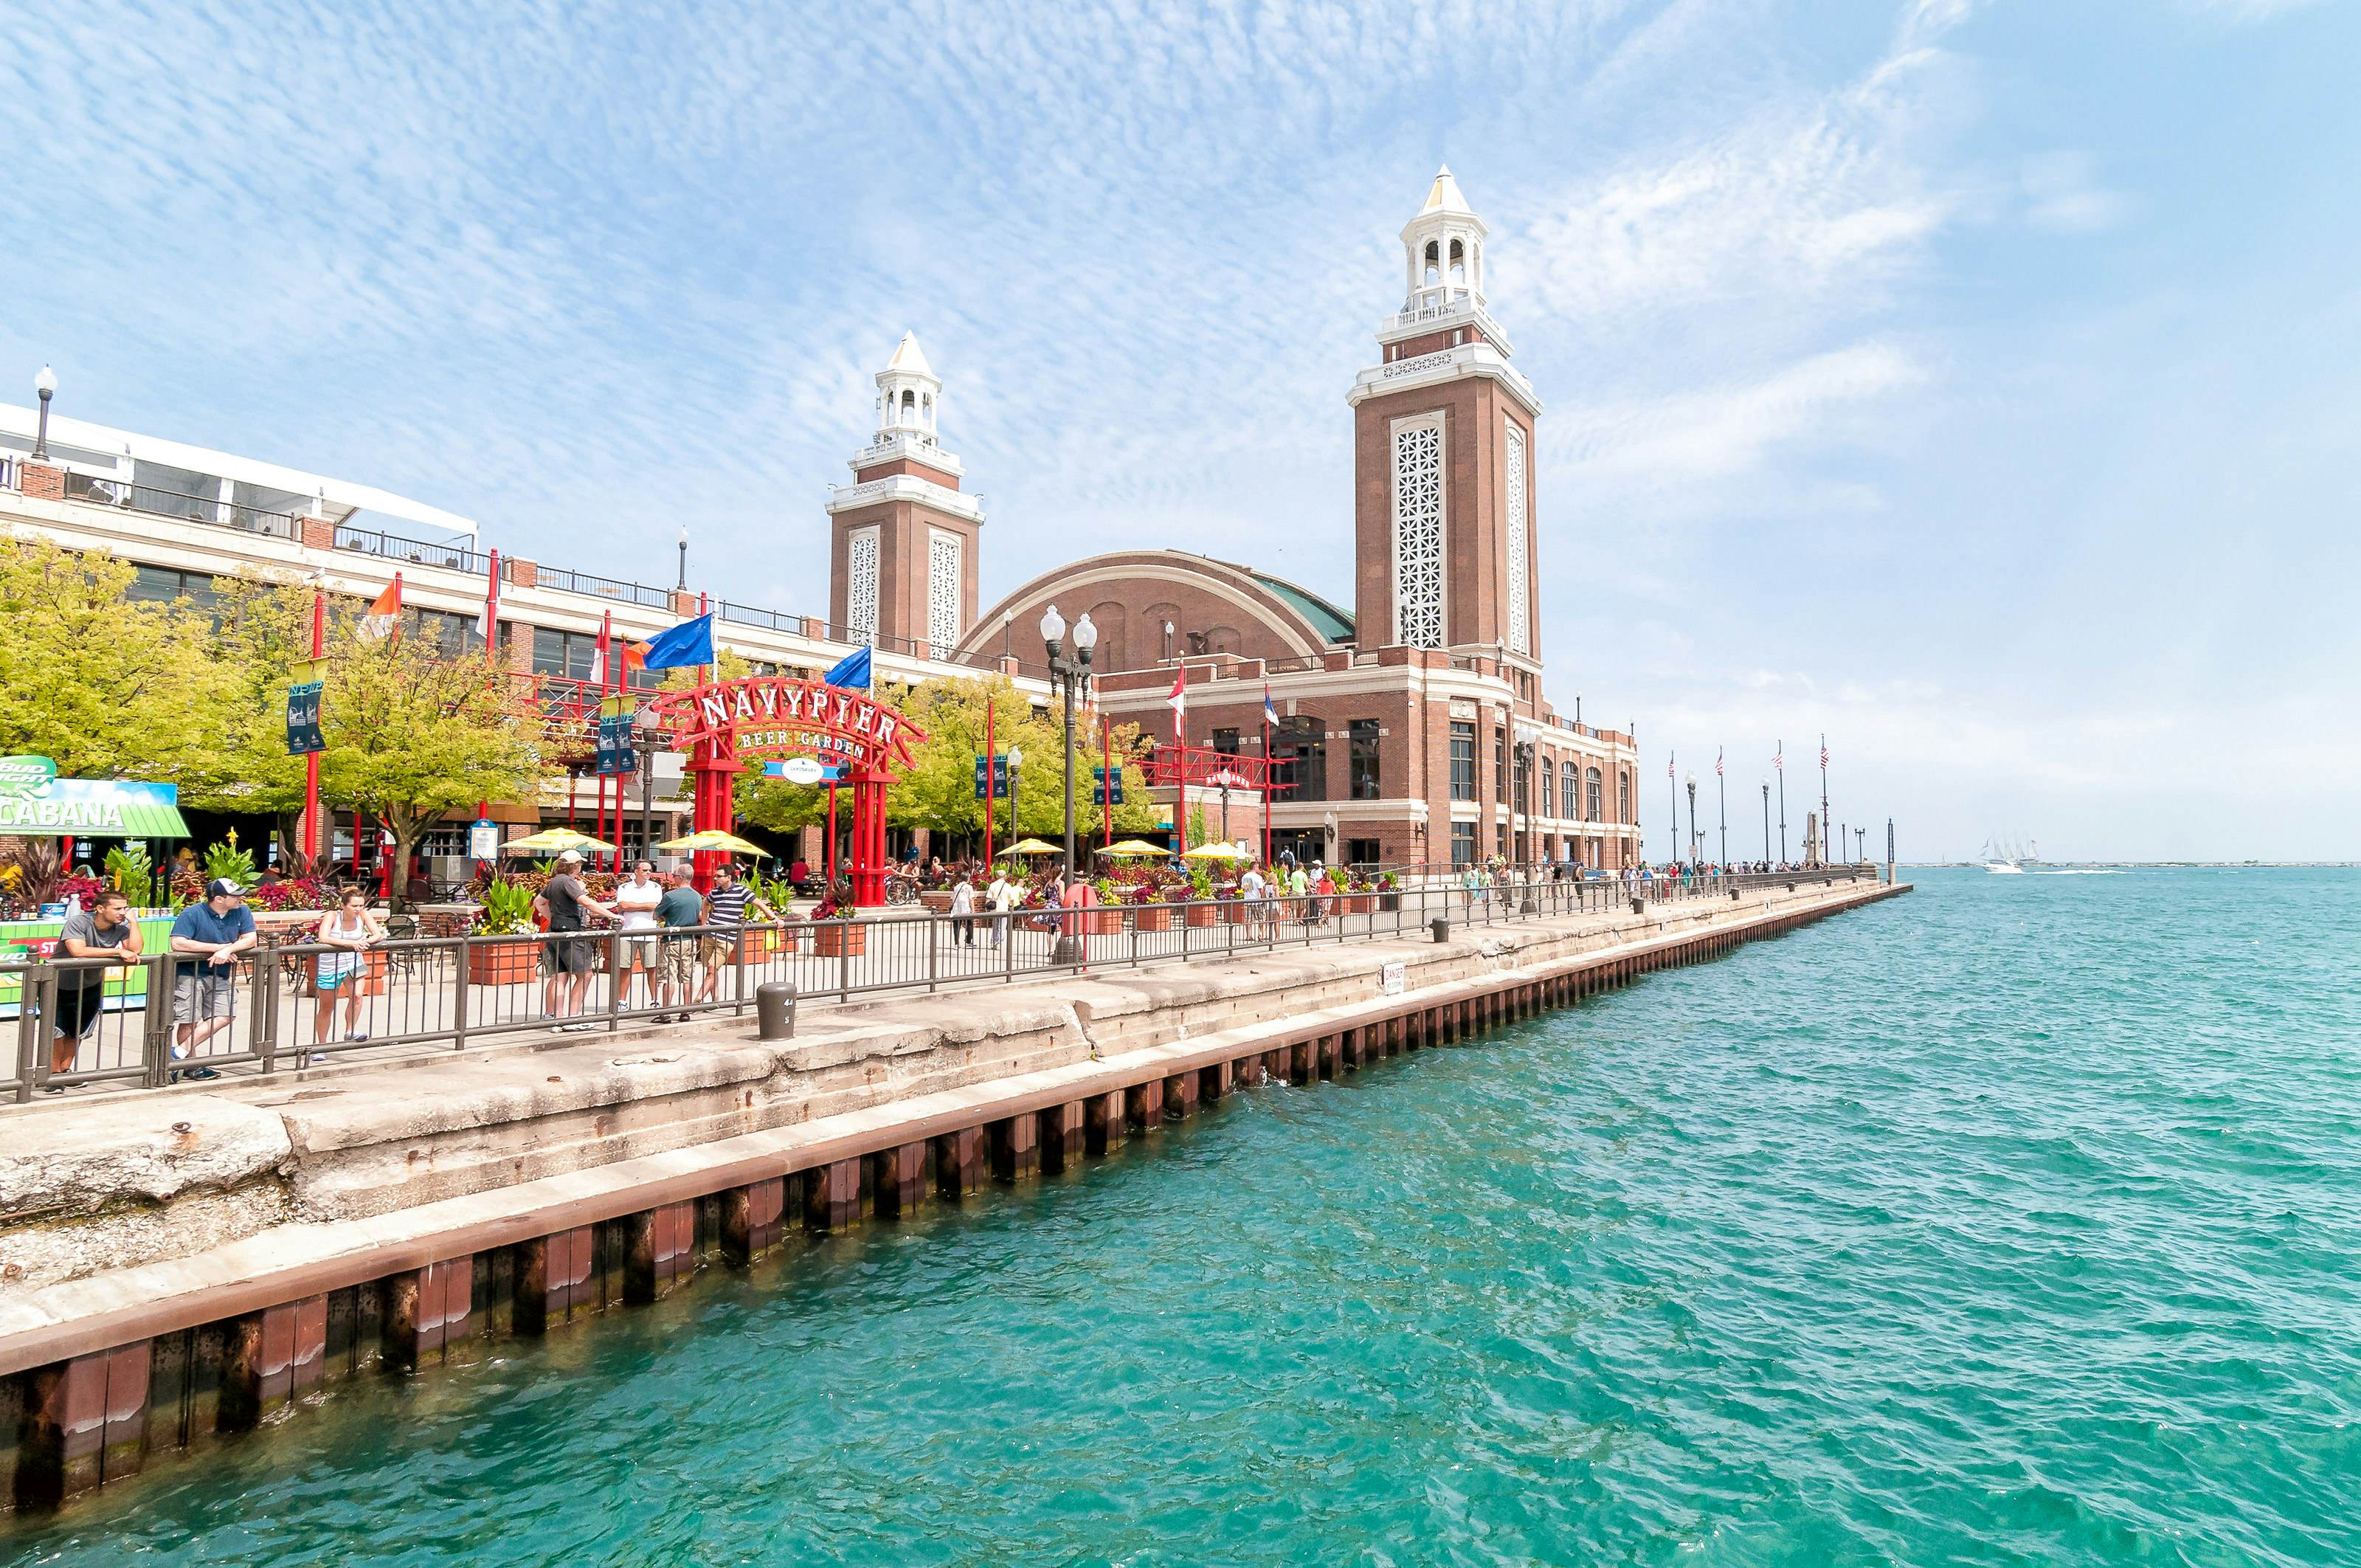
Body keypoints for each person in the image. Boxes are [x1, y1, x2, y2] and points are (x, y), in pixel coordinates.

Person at [48, 888, 142, 1091]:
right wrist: (117, 951)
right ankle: (52, 1075)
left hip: (90, 984)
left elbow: (135, 950)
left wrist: (134, 923)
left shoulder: (122, 926)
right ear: (100, 909)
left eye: (125, 908)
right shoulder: (79, 922)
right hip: (60, 983)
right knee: (57, 1031)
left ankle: (65, 1070)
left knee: (78, 1030)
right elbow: (78, 951)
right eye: (117, 909)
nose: (122, 913)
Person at [168, 878, 257, 1081]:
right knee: (189, 1020)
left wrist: (228, 949)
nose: (241, 899)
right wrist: (218, 948)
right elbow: (178, 943)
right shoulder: (192, 913)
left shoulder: (242, 911)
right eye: (235, 896)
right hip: (190, 973)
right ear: (219, 899)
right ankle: (191, 1066)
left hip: (221, 974)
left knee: (226, 1015)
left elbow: (251, 939)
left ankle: (178, 1054)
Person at [536, 850, 615, 1032]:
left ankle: (557, 1020)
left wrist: (553, 919)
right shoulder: (568, 881)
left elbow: (538, 902)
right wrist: (612, 915)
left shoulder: (554, 881)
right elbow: (586, 902)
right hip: (572, 933)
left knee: (560, 976)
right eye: (580, 865)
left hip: (555, 932)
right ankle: (573, 1018)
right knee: (585, 975)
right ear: (575, 866)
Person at [310, 887, 383, 1057]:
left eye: (361, 905)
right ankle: (321, 1046)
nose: (358, 909)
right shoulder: (332, 916)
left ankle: (350, 1030)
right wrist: (351, 944)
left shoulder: (363, 915)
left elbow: (377, 935)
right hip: (330, 965)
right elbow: (323, 938)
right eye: (354, 906)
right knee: (327, 1007)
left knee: (358, 995)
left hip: (354, 962)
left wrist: (366, 941)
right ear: (343, 905)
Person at [695, 863, 775, 1006]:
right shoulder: (715, 892)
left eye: (719, 876)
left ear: (729, 877)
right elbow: (706, 902)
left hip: (726, 938)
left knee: (712, 969)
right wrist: (704, 922)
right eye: (715, 876)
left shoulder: (741, 891)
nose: (715, 879)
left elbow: (759, 904)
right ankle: (715, 1000)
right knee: (712, 970)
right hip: (710, 935)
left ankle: (696, 1001)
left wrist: (774, 918)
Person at [612, 861, 665, 1011]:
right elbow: (622, 906)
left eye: (650, 870)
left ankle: (655, 1000)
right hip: (627, 932)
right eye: (645, 870)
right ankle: (622, 1001)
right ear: (636, 871)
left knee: (652, 968)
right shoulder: (624, 887)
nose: (648, 873)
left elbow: (656, 906)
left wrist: (633, 906)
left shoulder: (655, 887)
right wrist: (645, 906)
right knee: (624, 968)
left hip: (649, 933)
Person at [654, 868, 705, 1021]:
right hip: (690, 941)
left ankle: (665, 1012)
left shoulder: (670, 896)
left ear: (681, 877)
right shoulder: (697, 896)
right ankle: (686, 1011)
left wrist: (666, 917)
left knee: (669, 978)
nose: (673, 878)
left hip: (672, 941)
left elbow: (656, 914)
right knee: (688, 977)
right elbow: (698, 915)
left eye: (674, 876)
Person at [986, 864, 1014, 947]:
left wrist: (987, 908)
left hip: (994, 908)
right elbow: (1012, 899)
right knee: (1002, 927)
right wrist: (1011, 907)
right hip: (1004, 908)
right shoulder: (1008, 886)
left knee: (995, 926)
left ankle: (993, 942)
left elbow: (988, 897)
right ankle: (998, 943)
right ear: (1005, 876)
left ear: (997, 876)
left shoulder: (993, 885)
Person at [949, 868, 976, 946]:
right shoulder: (969, 887)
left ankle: (956, 943)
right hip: (966, 908)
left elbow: (953, 898)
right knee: (969, 925)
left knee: (956, 926)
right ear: (968, 878)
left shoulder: (956, 887)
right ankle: (968, 942)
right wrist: (973, 910)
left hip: (956, 909)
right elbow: (971, 899)